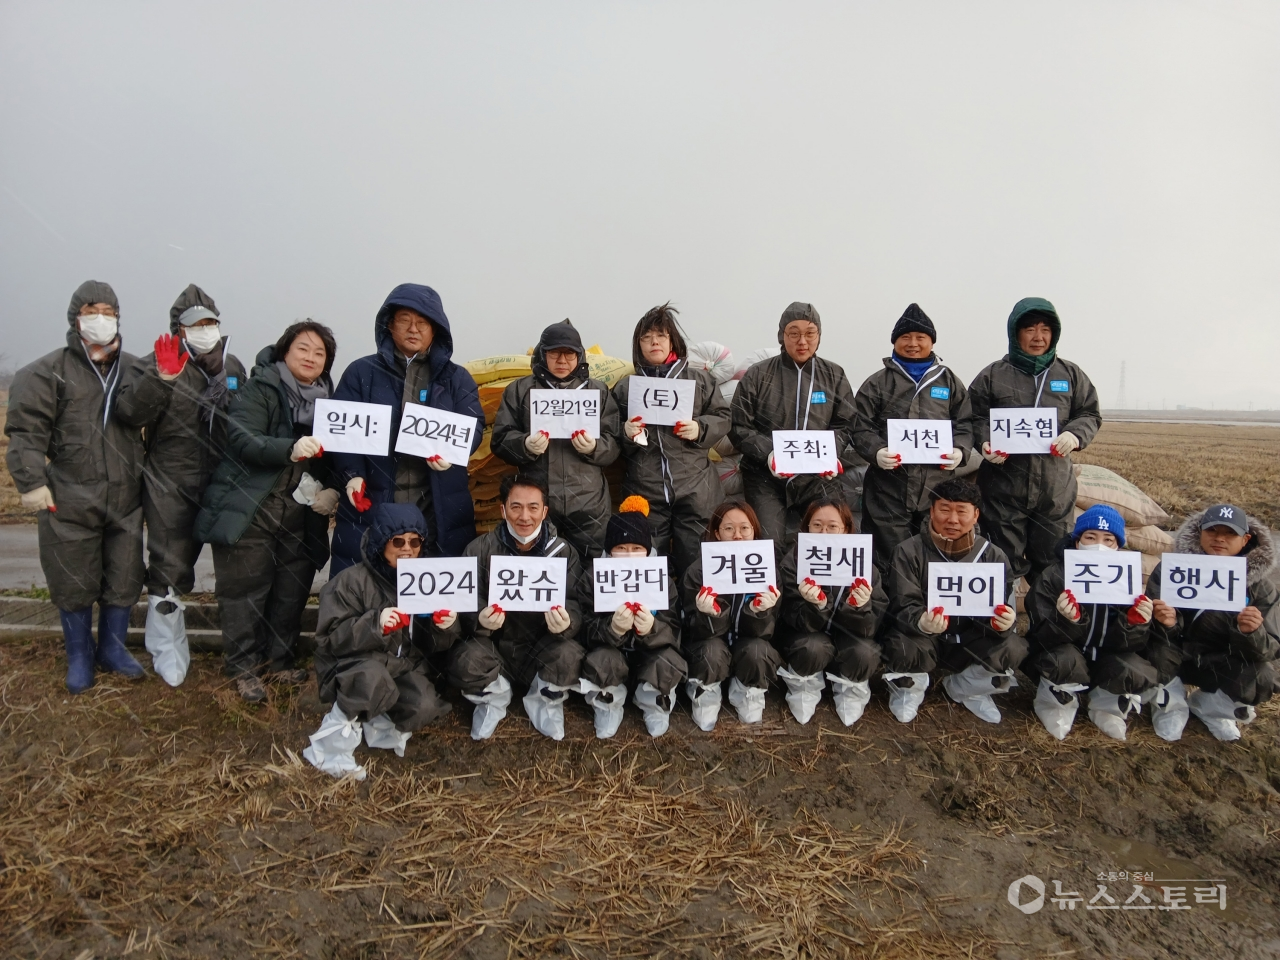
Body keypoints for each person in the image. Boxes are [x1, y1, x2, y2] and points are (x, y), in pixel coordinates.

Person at [5, 281, 146, 693]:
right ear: (76, 316)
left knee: (124, 575)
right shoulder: (46, 371)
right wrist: (31, 480)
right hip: (69, 494)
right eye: (91, 310)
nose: (100, 319)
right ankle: (80, 654)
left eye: (108, 311)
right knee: (73, 578)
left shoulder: (135, 370)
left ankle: (114, 648)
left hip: (125, 495)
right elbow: (26, 431)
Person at [195, 321, 341, 702]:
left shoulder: (330, 403)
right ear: (284, 352)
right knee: (246, 590)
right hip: (253, 505)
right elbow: (242, 438)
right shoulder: (260, 388)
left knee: (290, 591)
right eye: (303, 349)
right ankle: (244, 668)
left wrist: (333, 489)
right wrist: (287, 449)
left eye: (319, 353)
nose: (311, 358)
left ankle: (280, 661)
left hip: (300, 511)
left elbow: (336, 457)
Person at [113, 284, 246, 686]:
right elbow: (129, 412)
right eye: (195, 324)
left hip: (221, 479)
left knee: (236, 566)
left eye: (210, 322)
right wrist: (162, 378)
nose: (204, 329)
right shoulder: (155, 362)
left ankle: (244, 650)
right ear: (178, 328)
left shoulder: (232, 366)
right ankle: (166, 648)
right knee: (169, 566)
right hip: (171, 479)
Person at [329, 284, 483, 574]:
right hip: (375, 498)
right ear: (389, 324)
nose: (414, 329)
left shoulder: (457, 379)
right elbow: (343, 431)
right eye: (404, 320)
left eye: (423, 322)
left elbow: (473, 424)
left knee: (435, 594)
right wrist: (352, 474)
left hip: (439, 501)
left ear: (435, 330)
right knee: (368, 583)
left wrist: (451, 451)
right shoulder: (361, 373)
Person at [303, 503, 456, 779]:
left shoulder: (427, 582)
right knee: (372, 678)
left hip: (400, 667)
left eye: (415, 541)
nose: (407, 548)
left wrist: (444, 626)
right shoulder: (349, 582)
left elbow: (434, 645)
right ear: (380, 542)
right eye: (397, 541)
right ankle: (330, 748)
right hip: (349, 667)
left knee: (424, 705)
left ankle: (376, 722)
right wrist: (375, 623)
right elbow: (330, 639)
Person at [966, 298, 1101, 588]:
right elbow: (972, 416)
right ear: (1015, 333)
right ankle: (1004, 624)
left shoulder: (1070, 374)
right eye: (1029, 329)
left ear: (1054, 334)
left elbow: (1089, 413)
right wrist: (985, 442)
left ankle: (1047, 627)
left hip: (1054, 489)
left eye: (1045, 330)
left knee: (1052, 563)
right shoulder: (993, 375)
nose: (1038, 337)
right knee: (1001, 561)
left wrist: (1075, 434)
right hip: (1003, 487)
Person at [1024, 505, 1182, 741]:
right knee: (1062, 660)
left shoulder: (1127, 581)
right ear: (1077, 541)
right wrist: (1068, 620)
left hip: (1107, 656)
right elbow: (1041, 636)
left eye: (1109, 540)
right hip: (1067, 653)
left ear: (1118, 546)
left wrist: (1134, 623)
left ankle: (1107, 706)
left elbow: (1131, 644)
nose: (1099, 545)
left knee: (1136, 669)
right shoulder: (1054, 576)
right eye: (1090, 537)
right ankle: (1058, 704)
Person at [447, 474, 586, 741]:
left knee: (570, 654)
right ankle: (493, 696)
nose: (525, 516)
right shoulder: (479, 548)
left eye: (533, 507)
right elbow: (461, 599)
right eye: (516, 506)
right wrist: (479, 618)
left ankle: (545, 698)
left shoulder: (563, 552)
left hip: (542, 648)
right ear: (503, 509)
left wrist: (568, 622)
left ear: (544, 511)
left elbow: (577, 603)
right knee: (465, 659)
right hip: (495, 649)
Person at [881, 478, 1023, 724]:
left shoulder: (993, 555)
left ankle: (968, 687)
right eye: (944, 510)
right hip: (925, 640)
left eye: (962, 511)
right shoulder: (908, 551)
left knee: (1013, 647)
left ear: (976, 514)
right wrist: (921, 621)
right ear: (932, 511)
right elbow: (902, 603)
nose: (953, 519)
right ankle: (908, 688)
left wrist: (1004, 621)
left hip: (971, 640)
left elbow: (1003, 603)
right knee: (901, 643)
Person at [853, 304, 972, 574]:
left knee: (934, 557)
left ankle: (930, 613)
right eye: (906, 337)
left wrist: (960, 451)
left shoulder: (949, 382)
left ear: (932, 342)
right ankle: (892, 613)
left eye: (921, 338)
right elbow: (858, 426)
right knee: (887, 559)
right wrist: (876, 452)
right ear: (895, 342)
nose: (913, 344)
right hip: (888, 488)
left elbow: (965, 423)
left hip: (936, 487)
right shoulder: (878, 383)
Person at [613, 304, 730, 576]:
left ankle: (697, 614)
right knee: (649, 566)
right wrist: (625, 431)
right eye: (646, 337)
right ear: (638, 345)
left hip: (697, 487)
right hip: (645, 488)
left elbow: (723, 416)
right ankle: (657, 618)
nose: (654, 342)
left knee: (698, 564)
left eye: (661, 336)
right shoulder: (626, 387)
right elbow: (607, 430)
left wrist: (700, 428)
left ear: (672, 340)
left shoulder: (698, 381)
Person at [729, 302, 857, 550]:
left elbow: (846, 423)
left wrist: (831, 454)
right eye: (794, 333)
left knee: (832, 536)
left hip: (817, 476)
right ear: (782, 335)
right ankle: (772, 589)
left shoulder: (833, 374)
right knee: (768, 543)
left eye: (810, 333)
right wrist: (769, 454)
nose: (802, 341)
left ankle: (821, 589)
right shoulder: (759, 375)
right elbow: (738, 425)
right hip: (765, 476)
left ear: (819, 336)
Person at [492, 319, 622, 561]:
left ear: (580, 356)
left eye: (570, 354)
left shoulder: (598, 391)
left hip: (589, 505)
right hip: (538, 504)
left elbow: (615, 443)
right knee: (540, 571)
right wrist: (524, 445)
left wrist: (596, 447)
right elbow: (500, 439)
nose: (562, 361)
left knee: (590, 572)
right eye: (555, 353)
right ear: (543, 355)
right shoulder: (519, 391)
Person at [1149, 504, 1278, 741]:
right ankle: (1171, 706)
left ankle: (1212, 707)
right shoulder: (1172, 569)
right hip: (1176, 656)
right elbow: (1145, 631)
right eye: (1212, 531)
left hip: (1221, 661)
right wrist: (1166, 623)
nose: (1219, 538)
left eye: (1230, 533)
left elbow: (1270, 648)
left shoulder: (1261, 587)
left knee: (1262, 676)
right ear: (1200, 532)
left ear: (1245, 539)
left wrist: (1251, 633)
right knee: (1152, 653)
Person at [581, 496, 688, 738]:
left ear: (647, 549)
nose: (629, 555)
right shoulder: (593, 577)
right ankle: (607, 702)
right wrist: (612, 629)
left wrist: (653, 628)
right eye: (620, 548)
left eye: (636, 548)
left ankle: (654, 702)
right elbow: (584, 627)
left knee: (668, 660)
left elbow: (675, 628)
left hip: (649, 655)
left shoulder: (661, 579)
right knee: (601, 659)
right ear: (609, 550)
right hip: (612, 654)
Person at [775, 499, 887, 726]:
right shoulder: (793, 561)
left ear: (846, 529)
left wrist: (860, 606)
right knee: (812, 647)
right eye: (816, 525)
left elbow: (871, 626)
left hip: (848, 639)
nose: (824, 532)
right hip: (807, 637)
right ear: (806, 528)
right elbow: (788, 618)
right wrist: (815, 605)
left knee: (865, 651)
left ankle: (850, 689)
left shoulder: (862, 563)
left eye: (832, 526)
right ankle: (804, 686)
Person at [679, 501, 782, 729]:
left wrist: (758, 612)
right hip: (710, 646)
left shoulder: (768, 571)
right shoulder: (698, 571)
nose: (737, 535)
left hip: (746, 644)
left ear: (754, 531)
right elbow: (690, 628)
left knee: (759, 650)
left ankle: (748, 689)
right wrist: (710, 615)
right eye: (728, 529)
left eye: (744, 528)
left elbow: (769, 630)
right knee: (710, 651)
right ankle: (705, 691)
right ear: (717, 533)